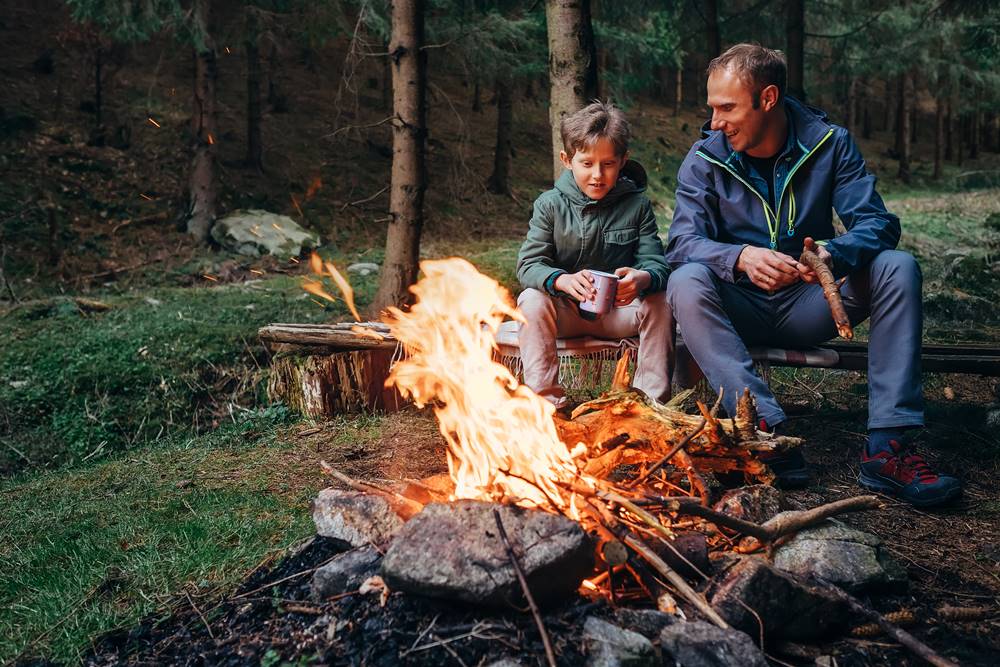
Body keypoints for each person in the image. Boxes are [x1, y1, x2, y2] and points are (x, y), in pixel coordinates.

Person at [666, 44, 961, 507]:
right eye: (712, 108)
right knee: (684, 280)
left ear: (767, 99)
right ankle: (765, 429)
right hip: (734, 307)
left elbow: (878, 224)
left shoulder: (829, 143)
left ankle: (888, 449)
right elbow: (681, 244)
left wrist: (831, 254)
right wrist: (740, 256)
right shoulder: (705, 158)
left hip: (811, 304)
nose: (716, 122)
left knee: (897, 268)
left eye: (727, 108)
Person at [516, 101, 673, 409]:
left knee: (661, 300)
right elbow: (528, 265)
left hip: (619, 312)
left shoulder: (636, 205)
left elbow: (657, 264)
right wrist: (560, 281)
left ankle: (649, 405)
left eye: (608, 164)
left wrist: (643, 278)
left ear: (623, 160)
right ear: (567, 159)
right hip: (566, 313)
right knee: (530, 301)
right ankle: (545, 406)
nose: (598, 175)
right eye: (587, 164)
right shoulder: (549, 205)